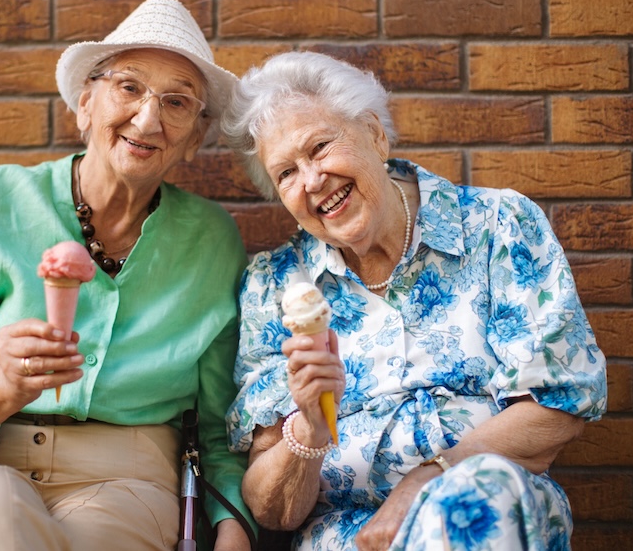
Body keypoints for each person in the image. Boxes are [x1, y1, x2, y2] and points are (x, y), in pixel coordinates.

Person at [0, 0, 254, 551]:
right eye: (129, 87)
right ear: (86, 104)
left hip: (129, 482)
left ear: (193, 140)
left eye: (177, 102)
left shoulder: (212, 240)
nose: (148, 119)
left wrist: (234, 527)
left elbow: (218, 427)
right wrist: (6, 383)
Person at [221, 51, 607, 551]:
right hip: (347, 537)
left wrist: (429, 479)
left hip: (480, 508)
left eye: (320, 147)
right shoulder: (274, 285)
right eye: (286, 174)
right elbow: (275, 511)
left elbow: (558, 404)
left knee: (471, 505)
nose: (312, 180)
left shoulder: (496, 227)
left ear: (375, 135)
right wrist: (311, 429)